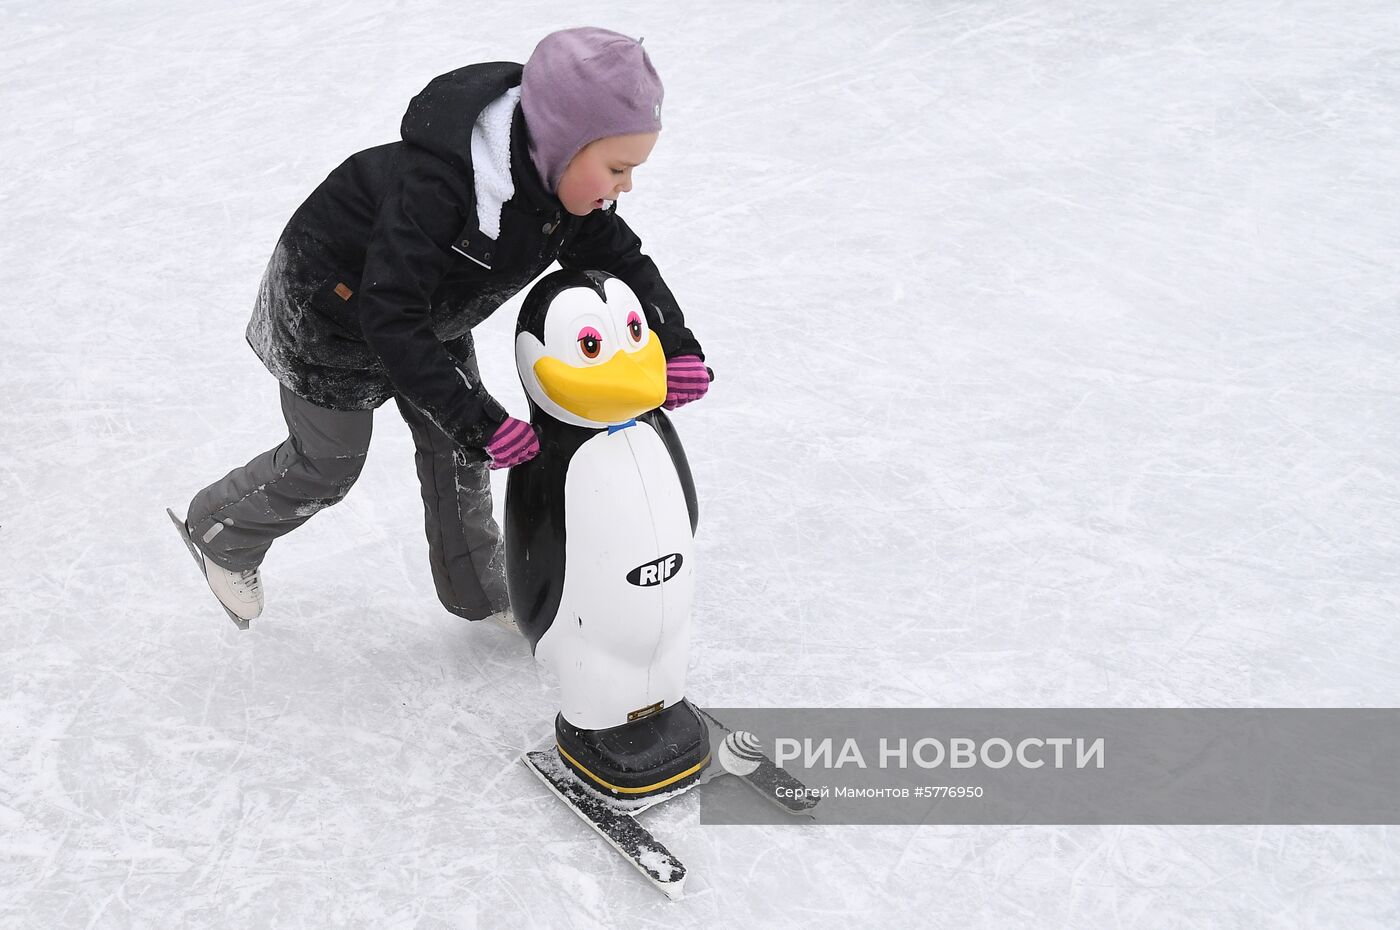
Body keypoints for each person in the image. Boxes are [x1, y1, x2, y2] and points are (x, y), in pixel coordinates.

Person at [177, 27, 711, 627]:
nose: (626, 186)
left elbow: (625, 263)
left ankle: (479, 592)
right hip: (330, 312)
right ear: (563, 144)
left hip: (429, 309)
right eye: (617, 167)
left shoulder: (571, 197)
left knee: (460, 451)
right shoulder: (440, 188)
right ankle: (221, 529)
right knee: (329, 463)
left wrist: (676, 344)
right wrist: (474, 416)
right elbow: (389, 313)